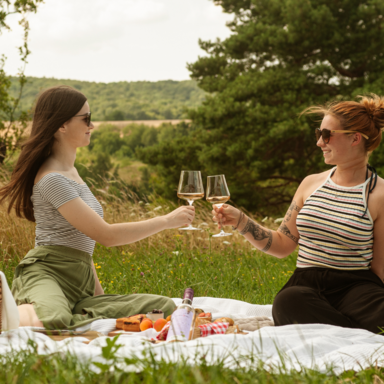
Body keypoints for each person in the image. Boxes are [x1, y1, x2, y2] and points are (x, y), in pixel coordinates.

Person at [0, 85, 195, 330]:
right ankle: (11, 312)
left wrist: (98, 297)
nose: (92, 125)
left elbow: (83, 242)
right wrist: (166, 221)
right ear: (61, 124)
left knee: (163, 307)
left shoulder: (72, 172)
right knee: (55, 319)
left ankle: (76, 316)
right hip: (46, 274)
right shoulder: (52, 179)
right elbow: (106, 236)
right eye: (86, 119)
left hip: (80, 282)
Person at [212, 94, 384, 334]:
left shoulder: (380, 194)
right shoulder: (310, 184)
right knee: (288, 302)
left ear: (355, 138)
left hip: (357, 287)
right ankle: (360, 335)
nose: (319, 143)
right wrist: (240, 221)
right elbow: (282, 244)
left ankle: (340, 331)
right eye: (318, 134)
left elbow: (380, 270)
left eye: (326, 135)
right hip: (306, 287)